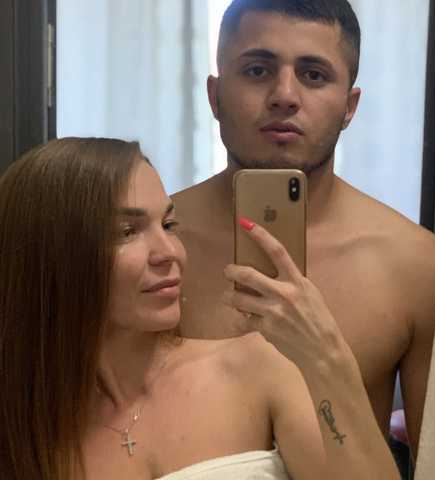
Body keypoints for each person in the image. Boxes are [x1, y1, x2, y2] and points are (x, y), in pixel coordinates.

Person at [0, 137, 400, 480]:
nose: (169, 252)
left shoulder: (255, 368)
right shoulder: (25, 424)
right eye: (127, 232)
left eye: (168, 225)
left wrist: (328, 358)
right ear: (51, 259)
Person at [172, 0, 435, 469]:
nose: (284, 95)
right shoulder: (157, 249)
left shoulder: (414, 265)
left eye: (314, 75)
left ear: (349, 107)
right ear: (215, 96)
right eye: (257, 70)